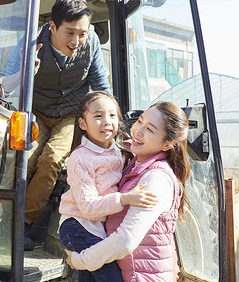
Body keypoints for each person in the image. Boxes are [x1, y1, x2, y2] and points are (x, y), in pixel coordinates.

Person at [0, 0, 111, 250]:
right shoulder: (30, 42)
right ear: (52, 27)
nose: (76, 41)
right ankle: (2, 219)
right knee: (23, 159)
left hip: (70, 114)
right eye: (69, 32)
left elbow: (100, 85)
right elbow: (2, 85)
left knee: (51, 159)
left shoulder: (91, 43)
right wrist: (26, 72)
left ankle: (24, 224)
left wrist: (111, 126)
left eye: (81, 33)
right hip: (36, 111)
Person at [65, 101, 190, 281]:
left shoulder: (156, 179)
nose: (138, 131)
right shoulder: (131, 165)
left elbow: (125, 241)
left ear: (167, 144)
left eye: (150, 129)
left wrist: (79, 260)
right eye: (139, 121)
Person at [58, 91, 158, 282]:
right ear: (82, 124)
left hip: (96, 227)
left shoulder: (120, 151)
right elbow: (88, 207)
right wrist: (124, 199)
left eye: (112, 115)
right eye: (98, 116)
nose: (106, 121)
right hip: (79, 225)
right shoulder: (80, 158)